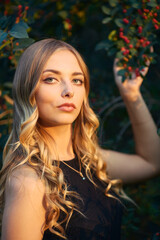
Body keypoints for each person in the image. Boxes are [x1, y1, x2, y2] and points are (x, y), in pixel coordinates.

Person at [0, 38, 160, 240]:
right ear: (28, 89)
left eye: (77, 80)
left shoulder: (91, 160)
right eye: (51, 79)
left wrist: (131, 93)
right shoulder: (28, 181)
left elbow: (152, 162)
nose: (69, 91)